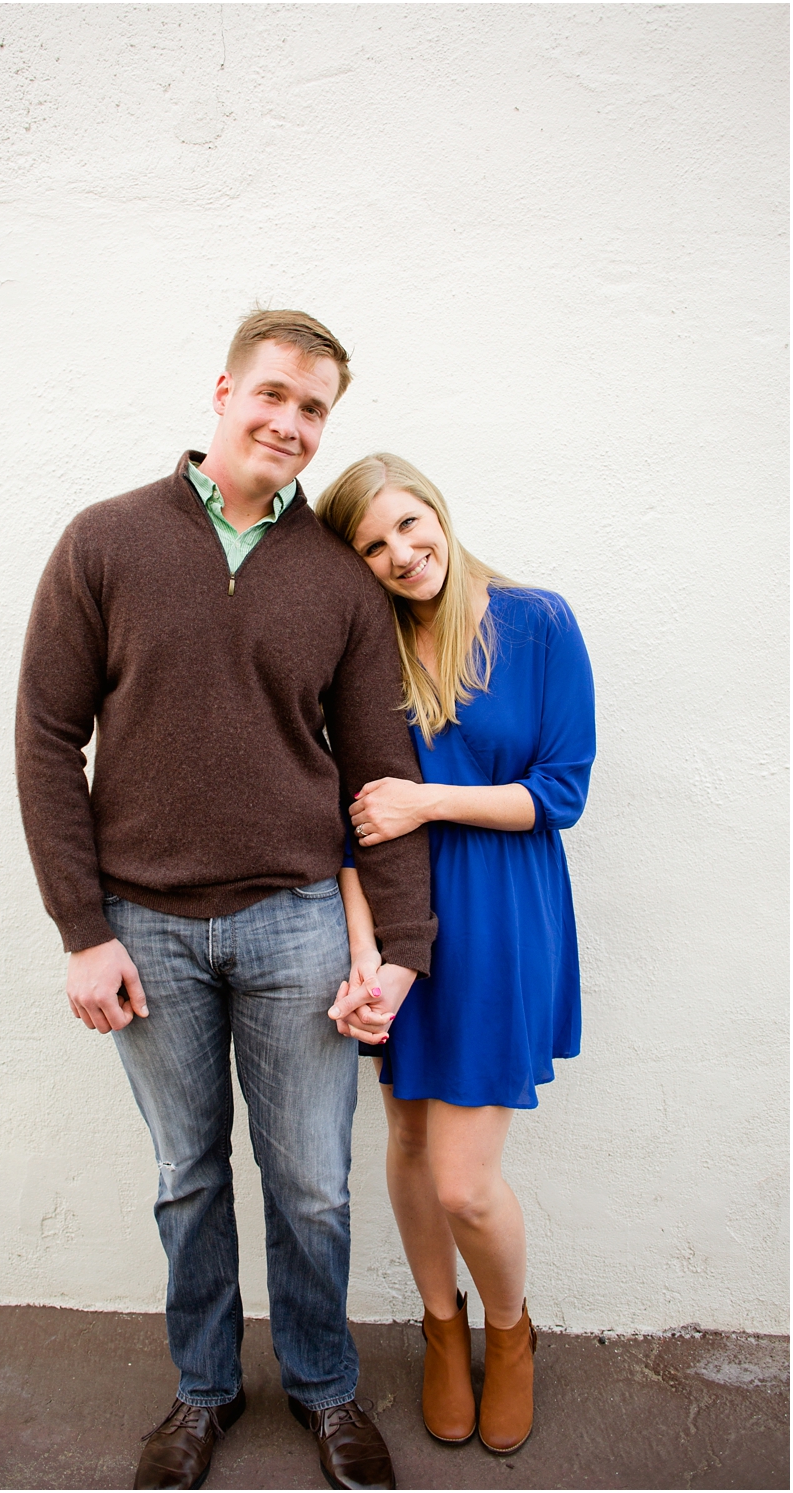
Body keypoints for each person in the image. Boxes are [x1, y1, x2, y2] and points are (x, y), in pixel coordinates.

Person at [14, 310, 434, 1491]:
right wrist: (81, 930)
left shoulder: (336, 582)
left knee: (309, 1178)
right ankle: (202, 1389)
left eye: (313, 409)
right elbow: (47, 739)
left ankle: (322, 1385)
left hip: (297, 919)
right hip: (143, 925)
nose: (289, 424)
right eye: (273, 396)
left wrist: (398, 949)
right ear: (222, 390)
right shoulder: (104, 541)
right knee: (186, 1174)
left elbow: (376, 778)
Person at [314, 454, 595, 1456]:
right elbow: (346, 826)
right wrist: (361, 953)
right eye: (373, 544)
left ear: (436, 509)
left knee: (461, 1181)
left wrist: (426, 798)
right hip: (397, 925)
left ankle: (509, 1330)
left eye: (408, 524)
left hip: (504, 917)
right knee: (404, 1139)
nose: (400, 553)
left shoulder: (536, 621)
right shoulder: (364, 652)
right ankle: (441, 1325)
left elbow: (559, 790)